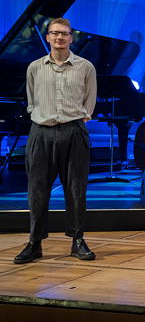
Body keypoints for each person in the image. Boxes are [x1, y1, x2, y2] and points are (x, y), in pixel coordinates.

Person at [14, 18, 97, 264]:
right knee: (37, 191)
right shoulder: (34, 67)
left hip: (74, 132)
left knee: (76, 190)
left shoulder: (85, 67)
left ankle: (77, 240)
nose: (59, 37)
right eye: (54, 33)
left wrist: (77, 120)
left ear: (72, 38)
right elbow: (31, 100)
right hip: (42, 133)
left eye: (64, 34)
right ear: (48, 37)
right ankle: (35, 242)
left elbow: (89, 102)